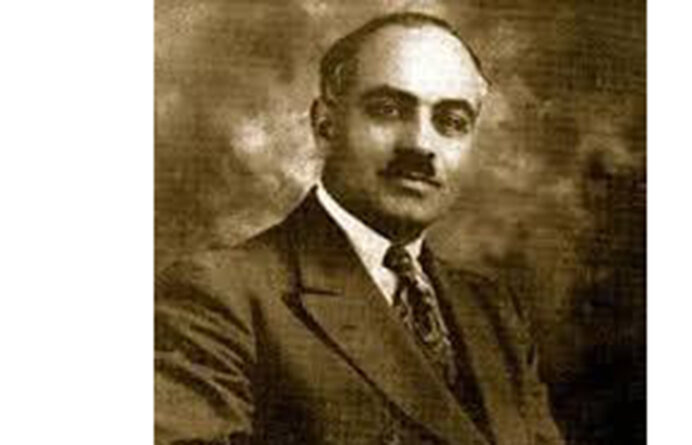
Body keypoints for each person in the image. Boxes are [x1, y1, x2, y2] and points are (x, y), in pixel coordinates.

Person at [155, 12, 564, 445]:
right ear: (325, 125)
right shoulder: (221, 294)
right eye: (387, 110)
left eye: (451, 122)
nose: (420, 145)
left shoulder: (493, 312)